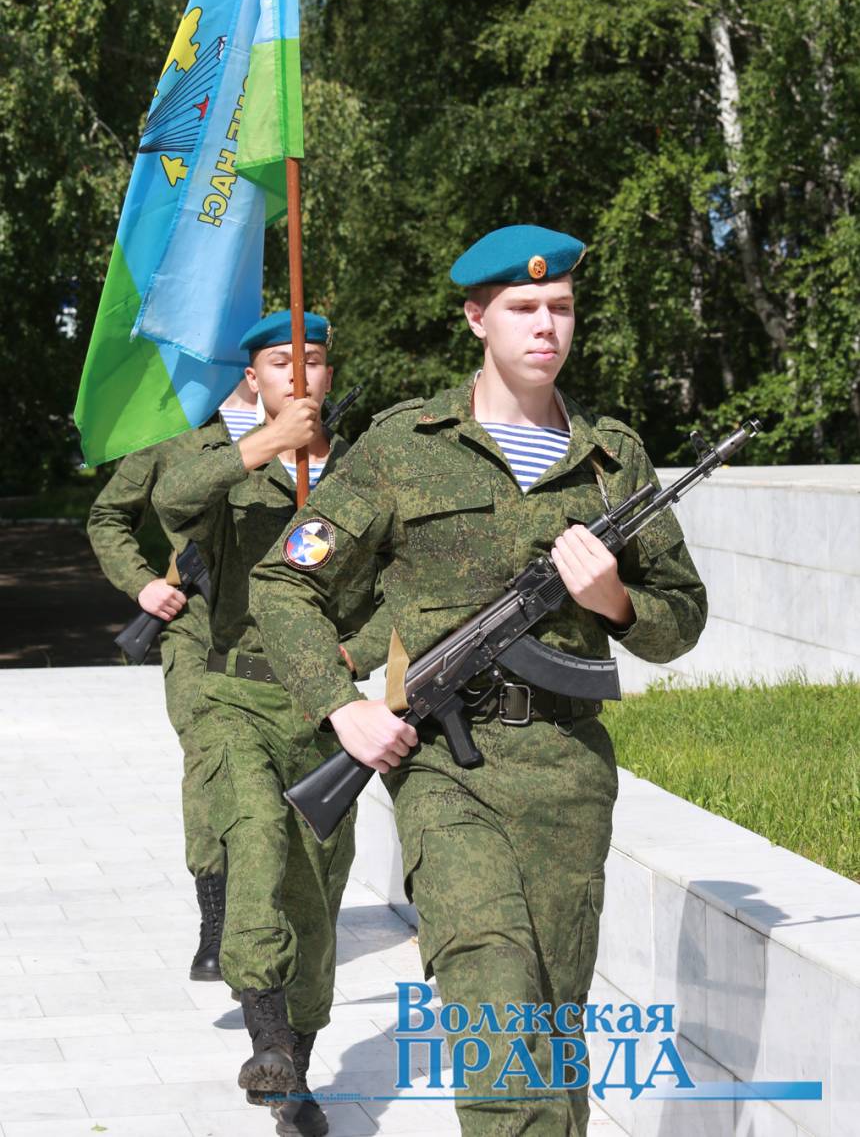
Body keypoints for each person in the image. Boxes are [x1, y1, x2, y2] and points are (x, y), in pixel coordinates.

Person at [250, 225, 708, 1137]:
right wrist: (342, 709)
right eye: (524, 308)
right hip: (448, 772)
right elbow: (283, 580)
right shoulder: (403, 447)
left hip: (570, 771)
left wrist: (615, 602)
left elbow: (681, 615)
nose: (547, 326)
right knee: (491, 1002)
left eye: (562, 308)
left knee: (550, 1018)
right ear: (476, 318)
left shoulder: (614, 457)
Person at [152, 310, 374, 1130]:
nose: (299, 376)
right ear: (255, 377)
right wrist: (269, 443)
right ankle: (266, 1038)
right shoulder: (222, 461)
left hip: (323, 709)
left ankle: (296, 1077)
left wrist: (358, 655)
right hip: (231, 696)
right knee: (253, 840)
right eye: (282, 363)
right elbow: (171, 499)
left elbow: (397, 584)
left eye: (313, 361)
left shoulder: (361, 472)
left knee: (314, 896)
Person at [87, 377, 259, 982]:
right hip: (198, 632)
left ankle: (269, 913)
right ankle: (216, 920)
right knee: (208, 765)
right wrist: (143, 583)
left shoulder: (314, 436)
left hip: (279, 635)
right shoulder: (176, 434)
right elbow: (108, 515)